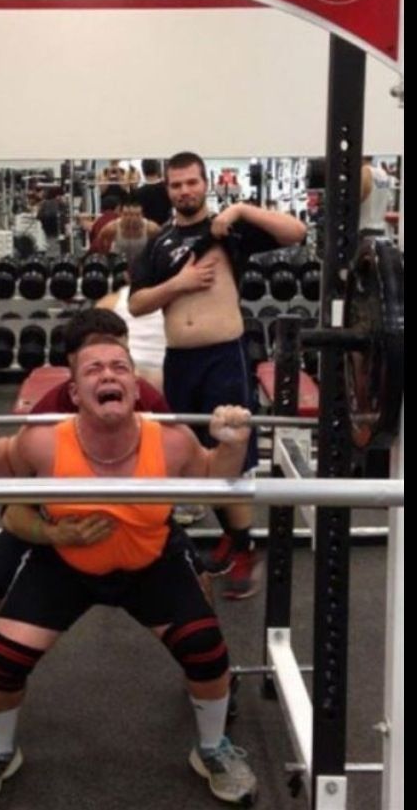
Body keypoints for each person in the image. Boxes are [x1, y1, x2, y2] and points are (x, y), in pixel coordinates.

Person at [0, 337, 258, 808]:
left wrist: (232, 444)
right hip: (65, 565)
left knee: (206, 653)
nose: (109, 375)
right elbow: (0, 463)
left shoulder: (172, 439)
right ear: (74, 393)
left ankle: (214, 748)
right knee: (4, 660)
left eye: (120, 367)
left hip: (150, 562)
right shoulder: (44, 439)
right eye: (94, 370)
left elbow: (216, 475)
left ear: (135, 389)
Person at [0, 309, 211, 734]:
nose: (111, 366)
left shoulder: (144, 398)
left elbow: (178, 463)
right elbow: (12, 506)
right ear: (73, 373)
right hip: (49, 517)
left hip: (134, 524)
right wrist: (52, 533)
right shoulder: (47, 415)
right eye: (95, 359)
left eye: (121, 353)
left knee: (198, 578)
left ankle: (205, 678)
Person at [128, 151, 307, 599]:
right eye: (176, 184)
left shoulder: (229, 230)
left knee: (231, 454)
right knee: (195, 460)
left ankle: (245, 548)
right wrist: (179, 285)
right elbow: (137, 303)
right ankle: (234, 539)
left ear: (205, 183)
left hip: (223, 358)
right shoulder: (160, 242)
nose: (184, 191)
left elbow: (297, 232)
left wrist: (242, 209)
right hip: (181, 362)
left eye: (192, 182)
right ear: (166, 189)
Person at [96, 234, 165, 392]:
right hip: (153, 374)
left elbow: (90, 340)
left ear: (127, 276)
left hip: (131, 374)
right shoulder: (173, 298)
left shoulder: (109, 302)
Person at [92, 194, 161, 255]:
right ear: (120, 214)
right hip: (119, 263)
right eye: (126, 214)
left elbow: (161, 245)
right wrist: (106, 255)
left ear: (142, 215)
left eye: (137, 215)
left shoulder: (151, 228)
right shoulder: (112, 228)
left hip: (141, 264)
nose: (132, 218)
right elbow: (100, 240)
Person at [359, 156, 391, 237]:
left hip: (364, 228)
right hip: (379, 227)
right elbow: (388, 200)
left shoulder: (365, 171)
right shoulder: (383, 173)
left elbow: (358, 197)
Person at [135, 158, 172, 225]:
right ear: (158, 169)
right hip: (167, 228)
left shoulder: (138, 193)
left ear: (143, 171)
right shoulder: (167, 189)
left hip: (147, 230)